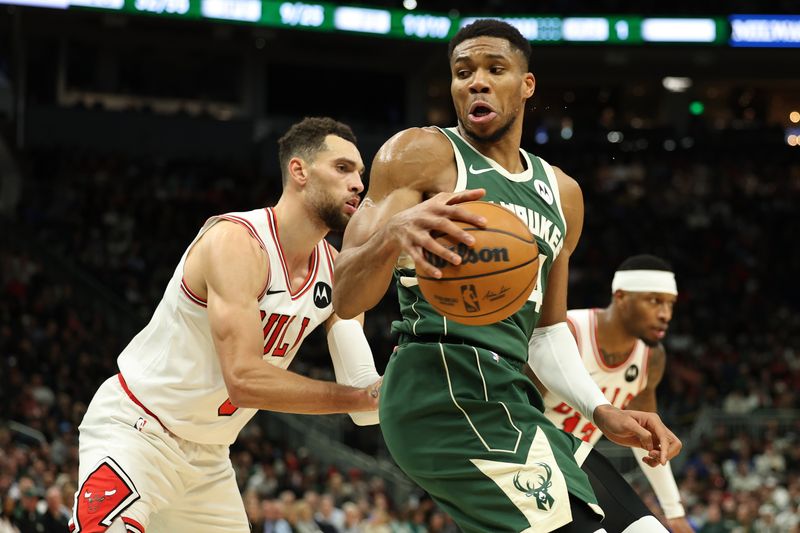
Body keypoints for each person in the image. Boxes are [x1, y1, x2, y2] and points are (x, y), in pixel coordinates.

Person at [333, 19, 681, 533]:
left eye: (495, 69)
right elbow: (344, 296)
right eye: (462, 72)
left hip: (511, 393)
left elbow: (546, 333)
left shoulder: (562, 193)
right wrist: (393, 234)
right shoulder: (420, 155)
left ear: (526, 84)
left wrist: (601, 411)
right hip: (441, 386)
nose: (477, 81)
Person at [69, 117, 382, 533]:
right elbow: (245, 379)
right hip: (139, 432)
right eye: (343, 168)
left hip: (210, 459)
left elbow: (365, 399)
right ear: (299, 171)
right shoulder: (237, 242)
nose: (359, 183)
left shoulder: (335, 270)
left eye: (361, 173)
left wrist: (387, 250)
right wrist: (357, 398)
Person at [532, 254, 693, 532]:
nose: (665, 314)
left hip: (579, 462)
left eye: (670, 304)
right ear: (620, 296)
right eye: (654, 301)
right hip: (534, 464)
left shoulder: (651, 357)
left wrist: (674, 513)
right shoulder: (562, 334)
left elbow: (648, 442)